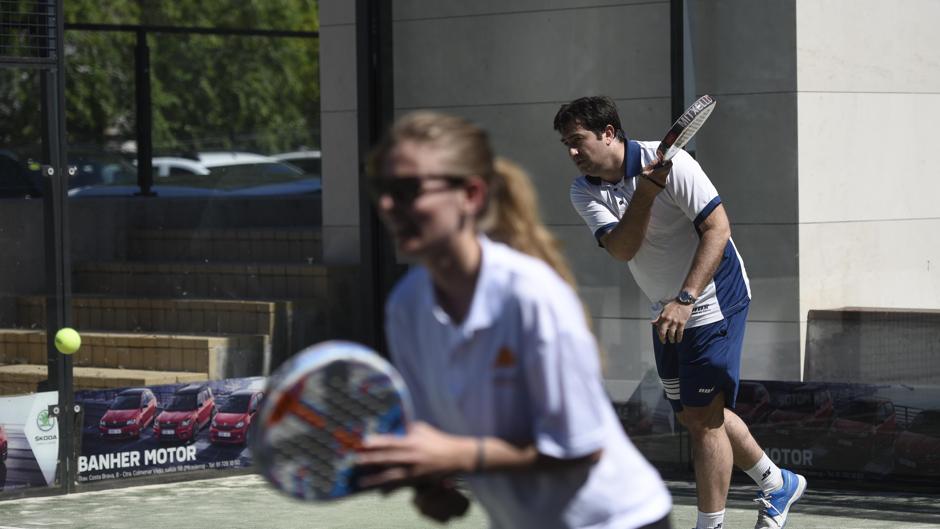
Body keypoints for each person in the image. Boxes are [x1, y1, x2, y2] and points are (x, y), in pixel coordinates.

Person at [356, 110, 673, 529]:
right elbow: (443, 436)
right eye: (382, 188)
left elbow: (580, 448)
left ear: (469, 195)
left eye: (408, 188)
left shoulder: (530, 295)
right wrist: (431, 485)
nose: (386, 205)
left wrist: (457, 457)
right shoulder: (406, 306)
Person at [553, 96, 806, 529]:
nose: (572, 152)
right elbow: (622, 249)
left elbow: (718, 230)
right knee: (696, 414)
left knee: (705, 419)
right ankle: (776, 482)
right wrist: (647, 194)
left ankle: (709, 525)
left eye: (578, 141)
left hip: (712, 299)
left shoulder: (677, 164)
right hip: (665, 307)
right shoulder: (584, 190)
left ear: (609, 133)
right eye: (566, 144)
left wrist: (686, 299)